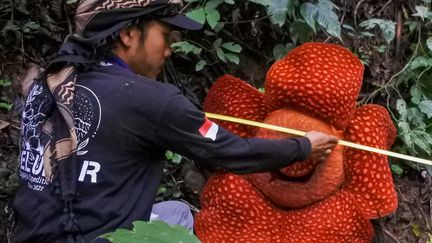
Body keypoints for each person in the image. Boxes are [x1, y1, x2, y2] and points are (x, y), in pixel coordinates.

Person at [12, 0, 339, 242]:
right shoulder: (150, 99)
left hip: (32, 234)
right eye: (165, 35)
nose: (169, 50)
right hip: (99, 237)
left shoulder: (50, 82)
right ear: (128, 34)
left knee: (177, 213)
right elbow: (232, 152)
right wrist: (303, 147)